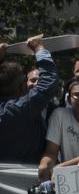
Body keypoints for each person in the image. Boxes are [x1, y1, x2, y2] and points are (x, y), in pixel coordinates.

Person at [0, 35, 59, 163]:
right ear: (22, 86)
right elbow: (48, 82)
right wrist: (39, 49)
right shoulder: (18, 109)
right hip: (23, 178)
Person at [38, 77, 79, 180]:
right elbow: (51, 151)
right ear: (68, 99)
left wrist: (61, 167)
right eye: (77, 95)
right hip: (66, 177)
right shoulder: (59, 114)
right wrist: (44, 165)